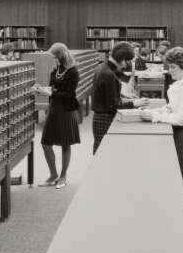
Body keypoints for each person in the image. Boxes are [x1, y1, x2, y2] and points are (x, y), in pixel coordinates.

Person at [142, 47, 183, 229]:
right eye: (169, 67)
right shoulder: (177, 85)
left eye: (173, 67)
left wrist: (155, 117)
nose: (169, 71)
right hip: (174, 134)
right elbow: (171, 108)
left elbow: (182, 118)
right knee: (172, 182)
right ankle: (175, 222)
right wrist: (154, 111)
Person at [34, 43, 81, 189]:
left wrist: (50, 93)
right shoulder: (55, 69)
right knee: (45, 143)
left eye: (55, 57)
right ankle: (53, 174)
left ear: (62, 55)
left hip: (66, 110)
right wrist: (41, 89)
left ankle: (63, 176)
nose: (53, 60)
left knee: (65, 143)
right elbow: (52, 88)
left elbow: (69, 94)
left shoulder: (73, 71)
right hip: (54, 108)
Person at [91, 41, 147, 154]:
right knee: (103, 153)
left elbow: (104, 92)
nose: (127, 65)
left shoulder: (103, 67)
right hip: (104, 118)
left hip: (99, 117)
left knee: (101, 150)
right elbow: (113, 105)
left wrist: (123, 95)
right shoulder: (108, 74)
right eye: (128, 61)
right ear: (121, 59)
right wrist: (134, 103)